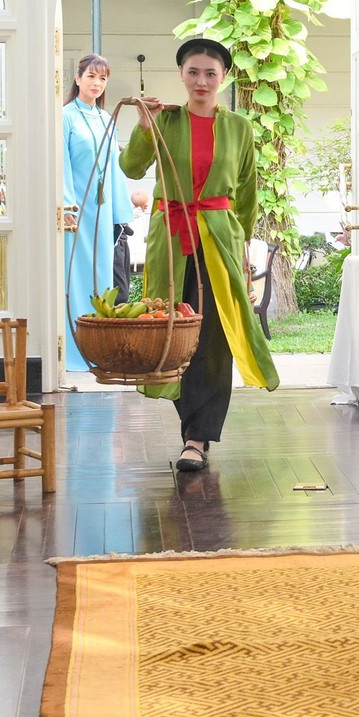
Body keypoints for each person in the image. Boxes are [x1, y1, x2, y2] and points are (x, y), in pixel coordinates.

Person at [120, 37, 278, 472]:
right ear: (181, 76)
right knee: (173, 333)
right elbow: (131, 169)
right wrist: (144, 126)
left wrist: (241, 245)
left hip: (218, 242)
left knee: (212, 338)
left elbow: (246, 190)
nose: (202, 81)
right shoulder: (166, 121)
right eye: (193, 72)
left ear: (224, 78)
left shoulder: (239, 128)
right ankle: (188, 424)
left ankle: (198, 437)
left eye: (211, 73)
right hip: (171, 241)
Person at [62, 53, 147, 372]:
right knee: (79, 278)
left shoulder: (105, 118)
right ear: (78, 78)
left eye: (102, 78)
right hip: (77, 215)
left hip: (103, 214)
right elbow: (63, 166)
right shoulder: (66, 117)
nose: (96, 84)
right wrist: (67, 205)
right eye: (91, 76)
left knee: (102, 280)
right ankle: (75, 350)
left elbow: (113, 169)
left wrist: (121, 209)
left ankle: (101, 349)